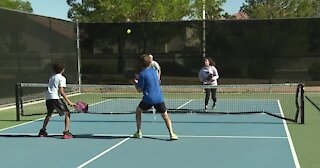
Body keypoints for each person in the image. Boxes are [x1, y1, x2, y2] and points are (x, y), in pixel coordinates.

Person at [130, 54, 178, 140]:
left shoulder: (142, 74)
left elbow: (139, 90)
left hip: (148, 99)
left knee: (138, 111)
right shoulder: (154, 71)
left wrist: (134, 82)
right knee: (166, 116)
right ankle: (171, 134)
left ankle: (138, 131)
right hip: (159, 98)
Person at [38, 63, 75, 139]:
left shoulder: (51, 77)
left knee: (49, 114)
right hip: (55, 98)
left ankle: (42, 131)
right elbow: (61, 91)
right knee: (67, 113)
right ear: (63, 69)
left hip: (48, 98)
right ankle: (66, 132)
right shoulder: (62, 78)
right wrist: (69, 102)